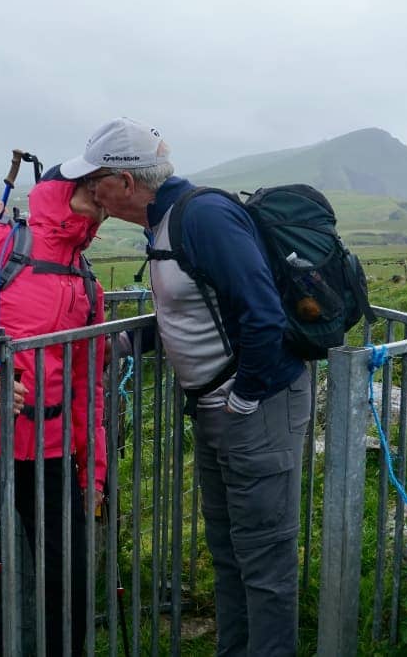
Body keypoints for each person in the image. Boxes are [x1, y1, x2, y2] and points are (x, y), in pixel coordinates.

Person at [61, 118, 312, 657]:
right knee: (230, 553)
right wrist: (120, 344)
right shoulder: (166, 225)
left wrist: (242, 398)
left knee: (264, 562)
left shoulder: (204, 218)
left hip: (255, 407)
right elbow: (193, 315)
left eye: (95, 181)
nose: (89, 193)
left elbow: (263, 315)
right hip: (220, 408)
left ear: (126, 184)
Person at [0, 174, 108, 656]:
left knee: (71, 581)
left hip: (54, 454)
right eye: (91, 193)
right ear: (65, 191)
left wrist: (94, 471)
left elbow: (87, 386)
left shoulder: (86, 278)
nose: (100, 206)